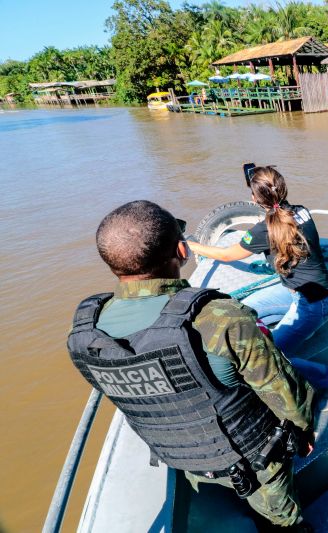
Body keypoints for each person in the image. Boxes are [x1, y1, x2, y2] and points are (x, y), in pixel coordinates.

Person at [67, 200, 314, 530]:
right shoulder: (218, 317)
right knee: (285, 521)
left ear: (113, 265)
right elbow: (283, 390)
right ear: (182, 252)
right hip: (253, 457)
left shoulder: (87, 330)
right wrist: (303, 430)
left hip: (179, 456)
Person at [187, 166, 328, 412]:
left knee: (268, 358)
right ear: (283, 188)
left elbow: (226, 255)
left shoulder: (264, 230)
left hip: (313, 305)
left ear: (254, 199)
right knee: (244, 310)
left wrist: (190, 245)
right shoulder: (301, 211)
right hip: (301, 292)